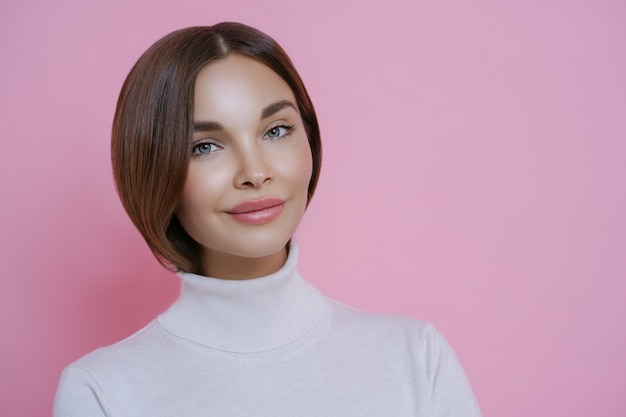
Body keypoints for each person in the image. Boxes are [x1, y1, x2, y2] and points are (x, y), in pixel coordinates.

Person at [53, 22, 482, 416]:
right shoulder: (103, 392)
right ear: (154, 170)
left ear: (309, 138)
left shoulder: (414, 357)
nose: (255, 173)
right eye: (204, 146)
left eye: (276, 130)